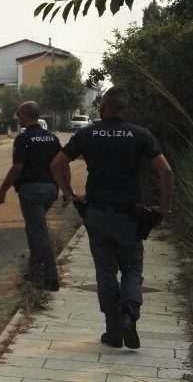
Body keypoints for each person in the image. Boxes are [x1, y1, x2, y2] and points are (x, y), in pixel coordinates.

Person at [51, 87, 174, 349]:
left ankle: (114, 332)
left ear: (103, 108)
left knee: (105, 272)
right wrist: (162, 209)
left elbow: (57, 164)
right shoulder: (141, 135)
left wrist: (70, 193)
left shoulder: (87, 133)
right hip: (130, 215)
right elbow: (166, 173)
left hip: (96, 214)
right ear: (123, 110)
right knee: (132, 269)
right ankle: (129, 314)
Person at [0, 101, 61, 291]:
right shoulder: (52, 138)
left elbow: (17, 168)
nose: (17, 117)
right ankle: (35, 272)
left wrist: (2, 191)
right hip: (50, 190)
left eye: (19, 114)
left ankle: (50, 277)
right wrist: (65, 191)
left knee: (39, 232)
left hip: (32, 191)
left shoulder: (23, 139)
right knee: (34, 228)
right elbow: (61, 165)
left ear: (26, 115)